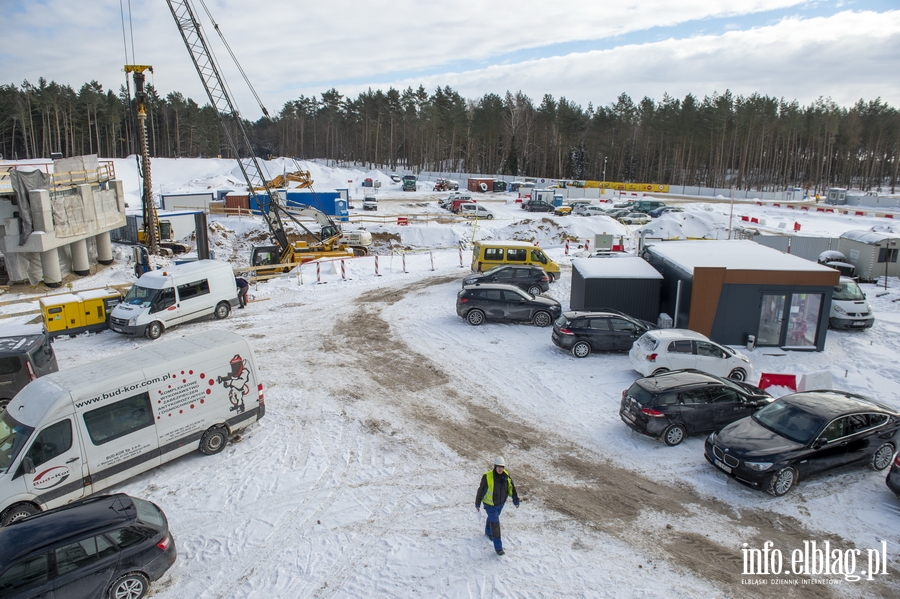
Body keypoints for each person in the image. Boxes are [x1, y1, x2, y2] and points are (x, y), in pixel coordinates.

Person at [475, 456, 520, 556]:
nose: (500, 469)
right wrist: (477, 503)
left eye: (502, 467)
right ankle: (498, 547)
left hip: (500, 504)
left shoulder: (506, 476)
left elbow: (511, 488)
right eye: (498, 467)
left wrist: (515, 500)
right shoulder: (487, 476)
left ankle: (488, 531)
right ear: (495, 466)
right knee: (495, 524)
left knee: (493, 518)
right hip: (490, 505)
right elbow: (481, 490)